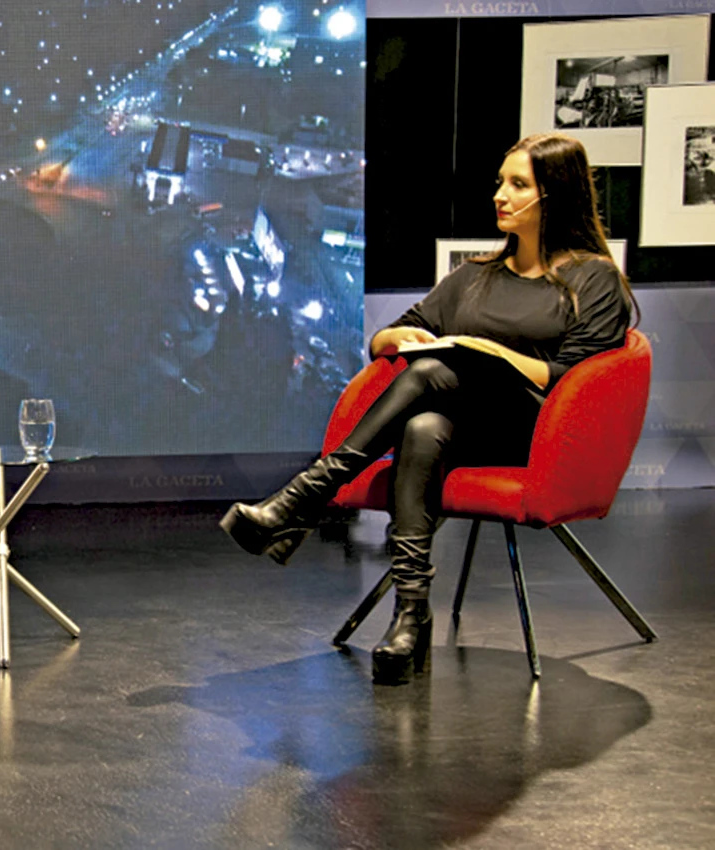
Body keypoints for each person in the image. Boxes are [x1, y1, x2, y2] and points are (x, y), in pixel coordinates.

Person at [220, 132, 638, 684]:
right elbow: (388, 338)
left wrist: (490, 354)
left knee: (436, 372)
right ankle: (410, 616)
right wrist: (397, 339)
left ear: (554, 194)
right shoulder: (475, 276)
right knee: (422, 425)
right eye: (500, 182)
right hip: (463, 427)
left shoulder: (593, 279)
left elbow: (575, 376)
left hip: (534, 433)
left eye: (518, 185)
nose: (500, 195)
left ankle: (305, 496)